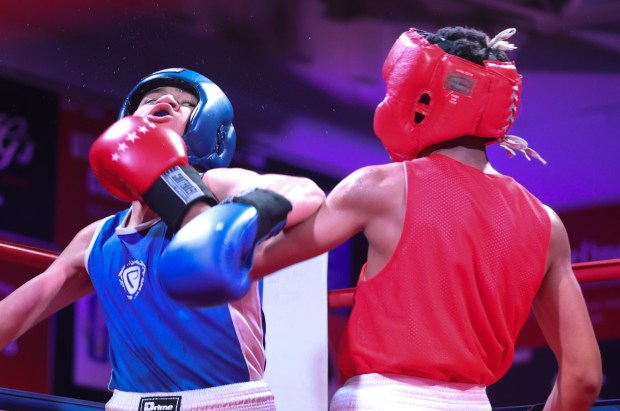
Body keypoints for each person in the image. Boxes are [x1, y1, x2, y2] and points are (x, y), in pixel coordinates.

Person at [251, 27, 602, 410]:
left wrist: (198, 205)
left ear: (421, 95)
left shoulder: (380, 187)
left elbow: (246, 264)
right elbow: (583, 378)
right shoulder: (546, 223)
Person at [0, 68, 325, 410]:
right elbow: (17, 313)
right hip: (127, 403)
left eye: (185, 104)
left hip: (223, 401)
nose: (166, 101)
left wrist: (222, 226)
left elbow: (304, 191)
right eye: (151, 100)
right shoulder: (96, 239)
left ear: (206, 130)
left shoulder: (216, 189)